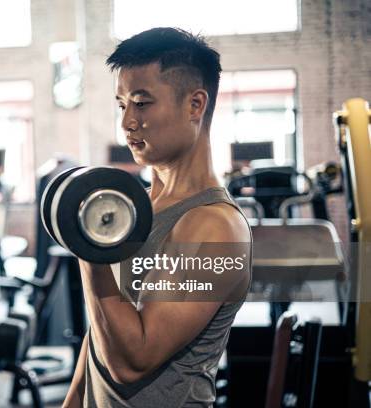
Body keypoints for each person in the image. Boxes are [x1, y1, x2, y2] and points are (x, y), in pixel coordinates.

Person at [63, 27, 252, 407]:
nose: (127, 123)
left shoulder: (214, 226)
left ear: (195, 105)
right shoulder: (137, 207)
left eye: (142, 103)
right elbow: (103, 329)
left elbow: (135, 360)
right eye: (122, 105)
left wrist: (88, 250)